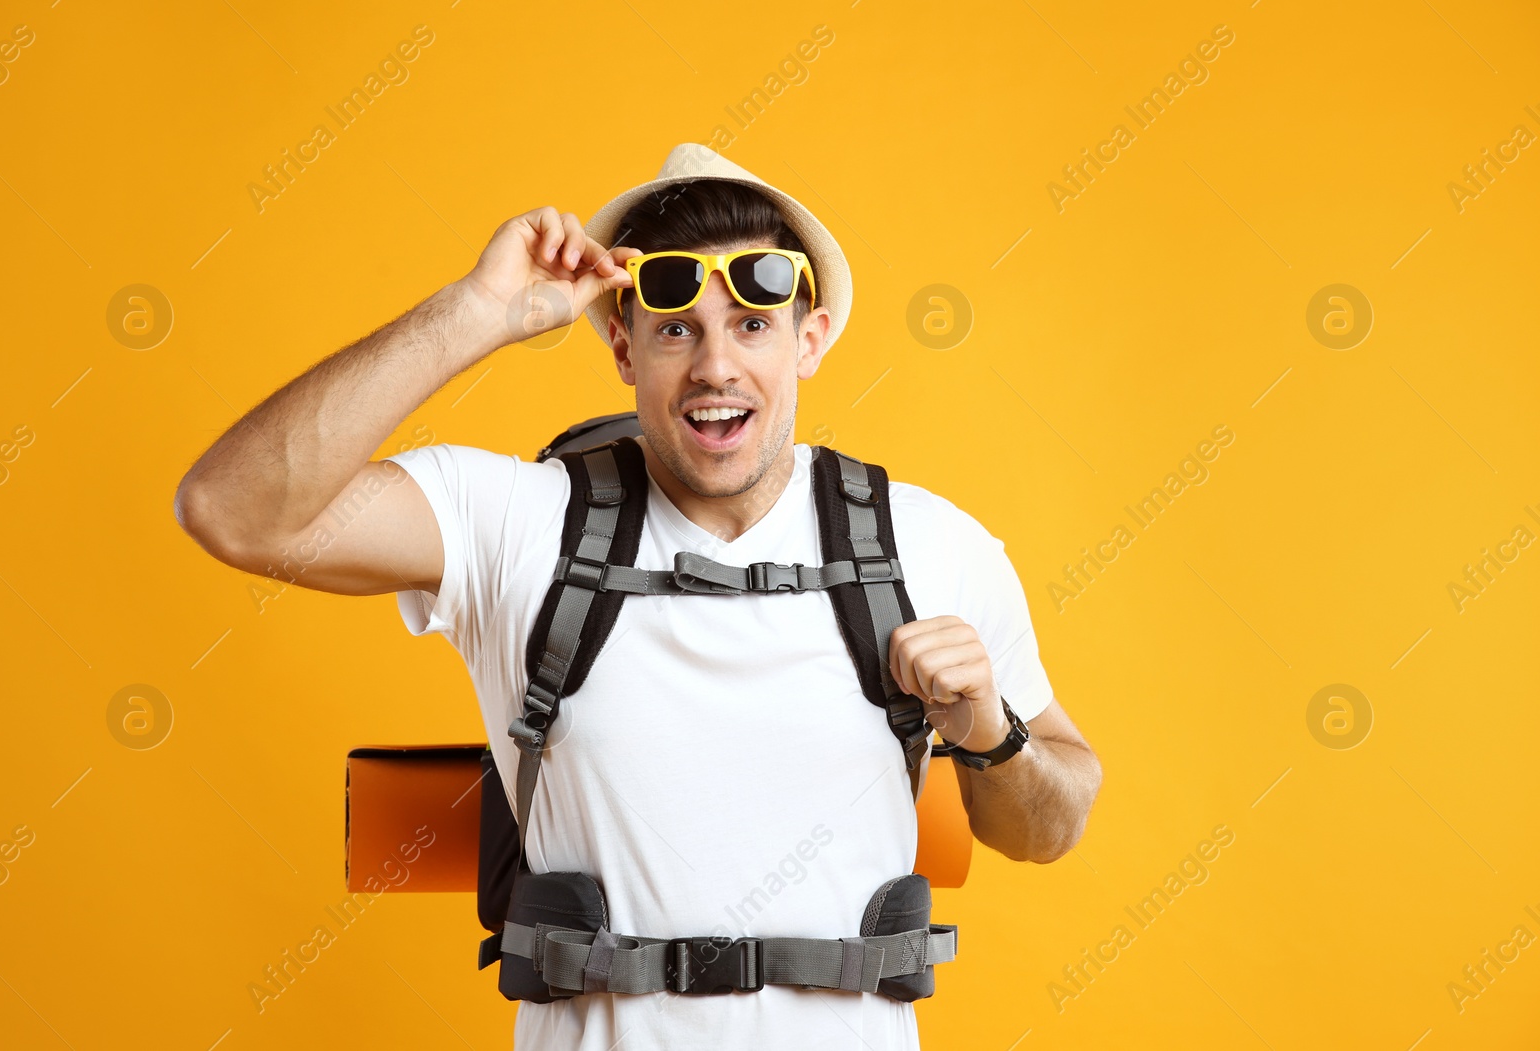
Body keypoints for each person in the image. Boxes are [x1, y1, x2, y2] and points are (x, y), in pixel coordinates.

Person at [174, 143, 1102, 1049]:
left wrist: (993, 733)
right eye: (674, 328)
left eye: (751, 324)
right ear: (622, 345)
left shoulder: (928, 545)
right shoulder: (521, 524)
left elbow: (1053, 822)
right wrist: (477, 313)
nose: (714, 368)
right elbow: (236, 511)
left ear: (809, 338)